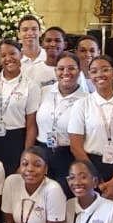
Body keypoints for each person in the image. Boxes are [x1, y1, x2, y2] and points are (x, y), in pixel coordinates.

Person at [69, 56, 113, 201]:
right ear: (89, 75)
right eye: (94, 71)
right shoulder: (81, 105)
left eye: (105, 70)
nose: (99, 75)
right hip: (90, 166)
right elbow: (75, 146)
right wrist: (97, 179)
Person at [34, 51, 87, 195]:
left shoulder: (85, 100)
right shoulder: (44, 92)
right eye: (61, 68)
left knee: (63, 197)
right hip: (42, 151)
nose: (66, 72)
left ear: (79, 71)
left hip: (67, 154)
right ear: (55, 71)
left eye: (71, 68)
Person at [0, 39, 40, 175]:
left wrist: (26, 158)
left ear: (21, 55)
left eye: (12, 54)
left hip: (16, 140)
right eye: (3, 55)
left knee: (12, 181)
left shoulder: (30, 86)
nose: (8, 58)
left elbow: (31, 125)